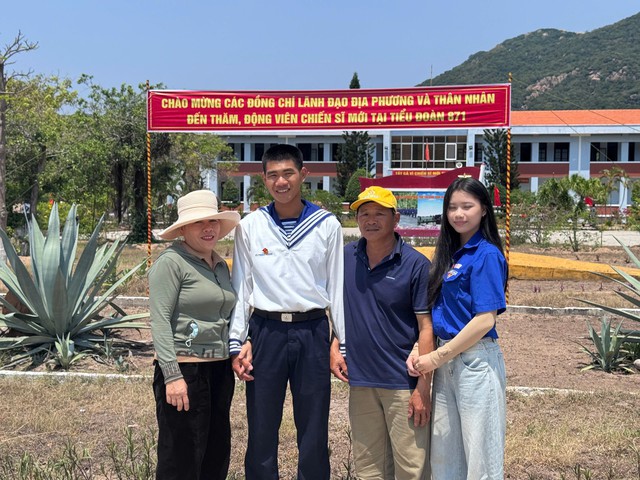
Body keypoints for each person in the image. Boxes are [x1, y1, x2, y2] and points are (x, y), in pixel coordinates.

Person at [229, 144, 346, 480]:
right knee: (261, 425)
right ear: (263, 179)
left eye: (288, 173)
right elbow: (242, 287)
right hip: (266, 332)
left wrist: (341, 341)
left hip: (313, 330)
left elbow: (336, 287)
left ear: (303, 174)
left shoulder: (327, 225)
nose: (281, 182)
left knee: (313, 425)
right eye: (273, 175)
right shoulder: (251, 225)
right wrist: (237, 341)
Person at [409, 177, 508, 480]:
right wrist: (421, 349)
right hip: (447, 364)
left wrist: (437, 357)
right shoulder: (451, 254)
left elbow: (485, 319)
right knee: (445, 460)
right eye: (452, 207)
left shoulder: (486, 254)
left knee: (481, 461)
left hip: (474, 363)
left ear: (484, 210)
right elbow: (438, 311)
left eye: (467, 206)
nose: (458, 214)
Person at [338, 186, 433, 480]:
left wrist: (423, 387)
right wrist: (334, 343)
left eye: (379, 213)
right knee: (369, 469)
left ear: (396, 218)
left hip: (402, 383)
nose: (370, 220)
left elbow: (427, 327)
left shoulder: (416, 265)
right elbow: (336, 308)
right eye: (364, 213)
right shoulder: (344, 258)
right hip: (361, 381)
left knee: (411, 468)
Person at [148, 189, 240, 480]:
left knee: (215, 452)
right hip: (184, 370)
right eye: (198, 222)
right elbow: (160, 320)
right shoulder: (171, 263)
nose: (208, 228)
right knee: (181, 458)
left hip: (219, 369)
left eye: (213, 221)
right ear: (183, 229)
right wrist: (172, 376)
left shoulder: (220, 265)